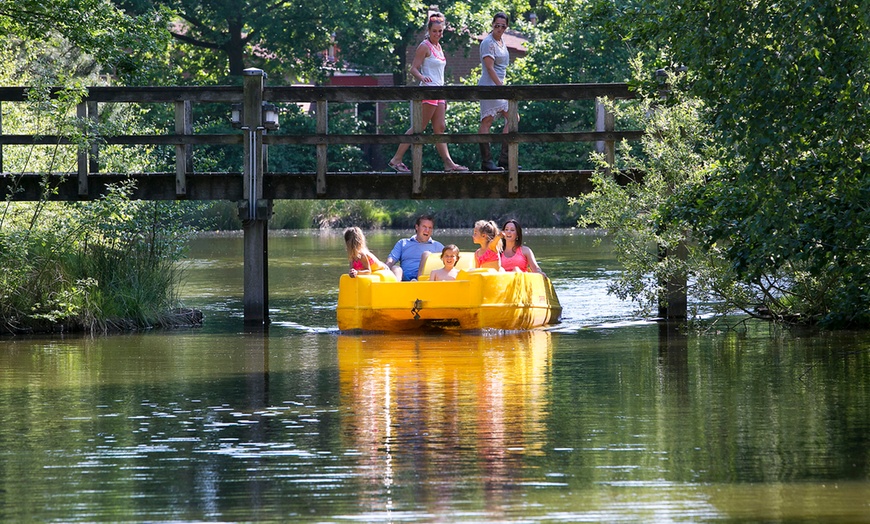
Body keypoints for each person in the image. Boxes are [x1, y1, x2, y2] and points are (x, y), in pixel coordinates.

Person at [387, 13, 468, 173]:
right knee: (419, 127)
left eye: (440, 31)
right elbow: (413, 68)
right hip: (428, 92)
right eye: (434, 31)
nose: (437, 34)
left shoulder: (439, 47)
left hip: (440, 92)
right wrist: (423, 77)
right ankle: (396, 159)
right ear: (429, 31)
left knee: (440, 128)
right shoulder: (424, 46)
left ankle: (449, 164)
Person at [477, 12, 519, 171]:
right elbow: (489, 67)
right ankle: (487, 161)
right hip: (490, 85)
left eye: (503, 26)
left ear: (506, 27)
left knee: (514, 118)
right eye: (497, 25)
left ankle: (505, 159)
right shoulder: (488, 43)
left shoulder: (501, 41)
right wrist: (500, 88)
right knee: (487, 121)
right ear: (492, 24)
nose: (500, 28)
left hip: (499, 85)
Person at [386, 215, 445, 281]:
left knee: (426, 254)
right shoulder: (403, 243)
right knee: (395, 268)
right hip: (405, 278)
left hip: (425, 279)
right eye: (424, 227)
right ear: (417, 227)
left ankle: (418, 282)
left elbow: (450, 260)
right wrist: (385, 268)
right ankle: (397, 289)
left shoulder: (437, 246)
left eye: (430, 228)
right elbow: (391, 260)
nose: (427, 230)